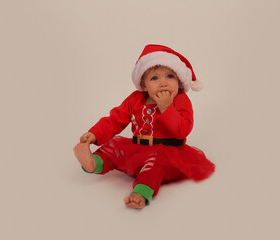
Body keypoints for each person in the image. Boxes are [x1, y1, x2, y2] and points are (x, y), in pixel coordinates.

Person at [73, 44, 215, 209]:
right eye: (155, 78)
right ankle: (93, 162)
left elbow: (182, 130)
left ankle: (141, 191)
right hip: (136, 148)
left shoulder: (181, 100)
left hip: (167, 154)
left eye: (170, 76)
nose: (163, 83)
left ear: (179, 81)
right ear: (144, 85)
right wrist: (94, 134)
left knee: (154, 166)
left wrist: (167, 108)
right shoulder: (135, 99)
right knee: (114, 147)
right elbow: (114, 119)